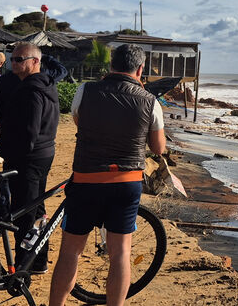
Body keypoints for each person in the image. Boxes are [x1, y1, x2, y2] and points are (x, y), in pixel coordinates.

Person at [48, 44, 165, 306]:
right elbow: (158, 148)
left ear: (111, 65)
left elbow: (80, 122)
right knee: (120, 253)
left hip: (86, 180)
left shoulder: (85, 90)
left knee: (70, 251)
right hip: (126, 183)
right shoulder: (149, 101)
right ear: (140, 69)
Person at [0, 42, 59, 273]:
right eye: (12, 59)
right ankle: (37, 262)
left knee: (25, 215)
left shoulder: (31, 90)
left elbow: (28, 134)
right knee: (37, 208)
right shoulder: (44, 85)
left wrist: (8, 153)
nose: (14, 63)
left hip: (29, 159)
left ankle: (23, 268)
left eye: (19, 59)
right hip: (42, 155)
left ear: (35, 62)